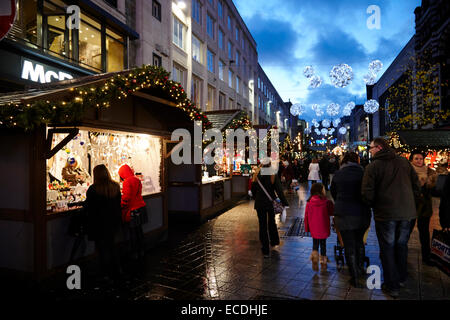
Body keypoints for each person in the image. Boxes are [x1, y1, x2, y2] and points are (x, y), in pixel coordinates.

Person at [362, 137, 421, 298]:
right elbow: (416, 186)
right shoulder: (403, 162)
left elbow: (367, 193)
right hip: (407, 213)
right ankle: (401, 277)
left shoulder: (373, 166)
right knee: (401, 245)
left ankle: (392, 284)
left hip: (386, 214)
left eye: (371, 147)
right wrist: (411, 203)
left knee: (387, 248)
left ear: (379, 148)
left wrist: (374, 205)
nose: (370, 150)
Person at [330, 152, 371, 287]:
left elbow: (333, 192)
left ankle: (354, 276)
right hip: (362, 212)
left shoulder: (338, 174)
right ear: (357, 160)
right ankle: (360, 269)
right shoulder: (364, 173)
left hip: (343, 213)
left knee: (349, 245)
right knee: (359, 242)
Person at [85, 164, 122, 281]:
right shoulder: (115, 187)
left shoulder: (93, 189)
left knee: (101, 249)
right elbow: (117, 205)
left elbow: (89, 207)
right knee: (112, 246)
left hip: (99, 223)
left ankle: (105, 273)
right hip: (113, 222)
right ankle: (117, 270)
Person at [251, 159, 289, 257]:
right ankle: (274, 241)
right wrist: (285, 203)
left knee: (262, 225)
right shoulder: (273, 175)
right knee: (271, 221)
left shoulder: (256, 175)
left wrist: (257, 198)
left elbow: (253, 190)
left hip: (259, 204)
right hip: (270, 202)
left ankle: (265, 250)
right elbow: (279, 190)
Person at [408, 151, 437, 265]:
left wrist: (429, 185)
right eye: (416, 159)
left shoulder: (430, 173)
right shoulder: (408, 172)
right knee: (406, 231)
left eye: (421, 159)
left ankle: (426, 256)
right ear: (411, 160)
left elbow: (434, 191)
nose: (419, 161)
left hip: (425, 207)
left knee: (424, 233)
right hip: (411, 206)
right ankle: (400, 253)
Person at [119, 164, 147, 260]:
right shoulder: (137, 179)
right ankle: (142, 250)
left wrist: (121, 204)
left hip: (133, 210)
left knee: (132, 232)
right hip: (141, 207)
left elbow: (126, 197)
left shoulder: (127, 181)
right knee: (139, 231)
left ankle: (134, 253)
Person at [304, 183, 334, 272]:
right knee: (323, 244)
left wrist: (307, 228)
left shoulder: (309, 202)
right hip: (324, 226)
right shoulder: (326, 202)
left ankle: (315, 257)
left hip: (314, 227)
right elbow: (331, 212)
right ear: (321, 190)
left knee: (315, 243)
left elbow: (306, 216)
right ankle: (323, 262)